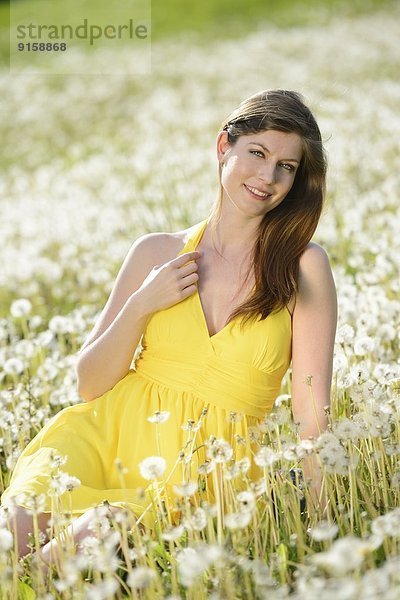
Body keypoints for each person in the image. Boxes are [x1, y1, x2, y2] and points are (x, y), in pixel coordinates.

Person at [1, 89, 337, 567]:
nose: (267, 177)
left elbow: (311, 412)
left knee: (90, 536)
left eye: (286, 166)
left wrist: (324, 528)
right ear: (224, 146)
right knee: (11, 532)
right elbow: (90, 383)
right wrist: (141, 305)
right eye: (257, 153)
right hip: (105, 440)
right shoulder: (156, 252)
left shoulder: (304, 266)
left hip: (205, 474)